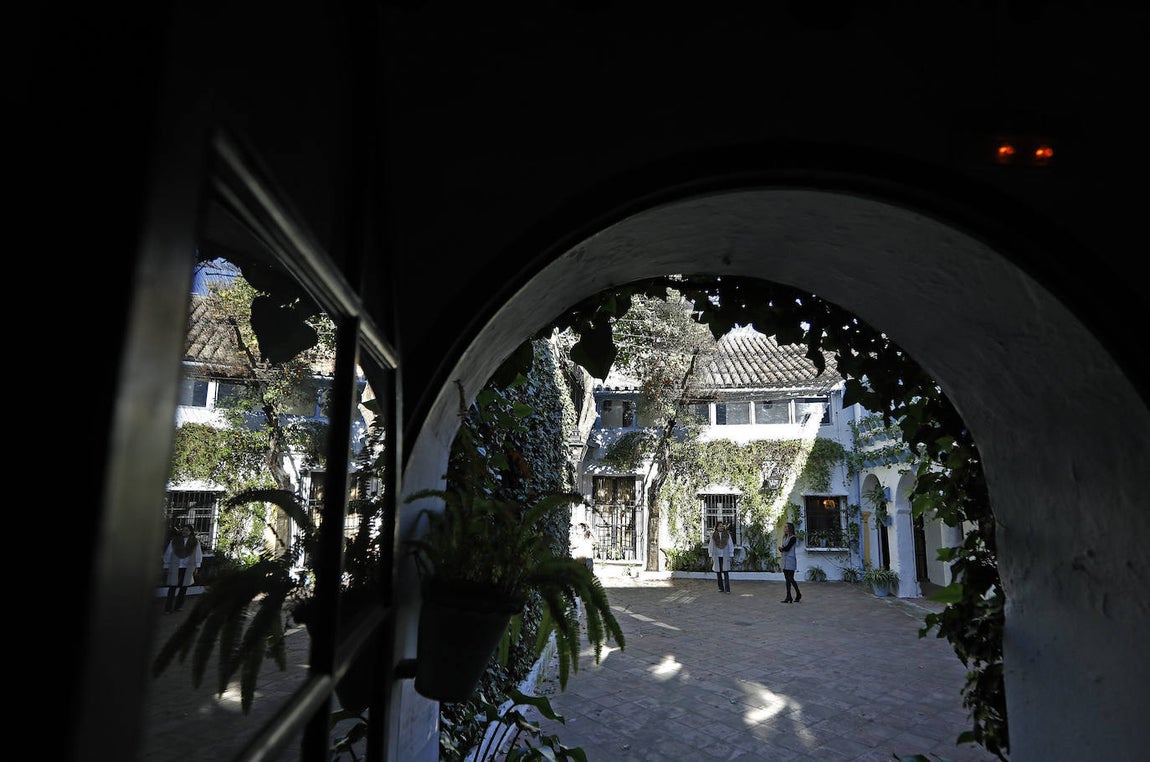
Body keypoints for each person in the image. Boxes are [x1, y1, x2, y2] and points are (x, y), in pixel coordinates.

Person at [162, 524, 203, 613]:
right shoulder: (175, 541)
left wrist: (197, 566)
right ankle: (168, 608)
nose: (185, 532)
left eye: (187, 530)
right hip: (175, 565)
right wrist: (166, 565)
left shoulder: (195, 542)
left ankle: (178, 606)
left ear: (190, 532)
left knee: (184, 587)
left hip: (188, 566)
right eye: (183, 530)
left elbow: (198, 554)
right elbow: (169, 553)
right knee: (172, 587)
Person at [708, 521, 734, 593]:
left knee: (726, 572)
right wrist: (711, 555)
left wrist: (731, 554)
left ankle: (727, 589)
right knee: (718, 572)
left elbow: (730, 544)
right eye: (719, 526)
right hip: (716, 556)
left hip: (725, 555)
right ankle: (721, 588)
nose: (721, 527)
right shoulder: (714, 535)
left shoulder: (727, 535)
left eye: (722, 526)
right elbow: (711, 545)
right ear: (716, 527)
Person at [779, 522, 801, 603]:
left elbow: (787, 548)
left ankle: (798, 594)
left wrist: (782, 549)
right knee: (787, 580)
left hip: (790, 560)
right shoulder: (784, 537)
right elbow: (784, 547)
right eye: (784, 527)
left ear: (790, 528)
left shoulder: (793, 538)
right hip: (784, 560)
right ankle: (789, 596)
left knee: (791, 578)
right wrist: (782, 549)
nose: (784, 529)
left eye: (786, 527)